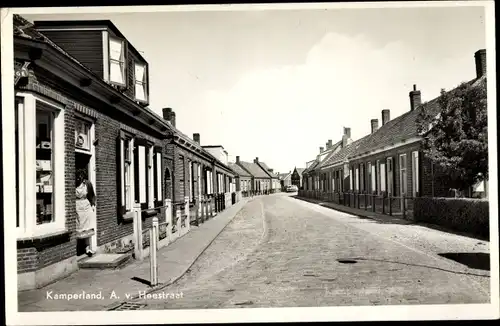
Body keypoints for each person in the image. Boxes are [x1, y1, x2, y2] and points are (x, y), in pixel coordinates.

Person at [75, 169, 96, 256]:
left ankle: (87, 248)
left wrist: (93, 204)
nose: (80, 179)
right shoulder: (74, 184)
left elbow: (92, 194)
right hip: (77, 206)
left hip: (86, 206)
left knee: (87, 227)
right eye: (79, 178)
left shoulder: (87, 184)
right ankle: (77, 249)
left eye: (82, 177)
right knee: (78, 226)